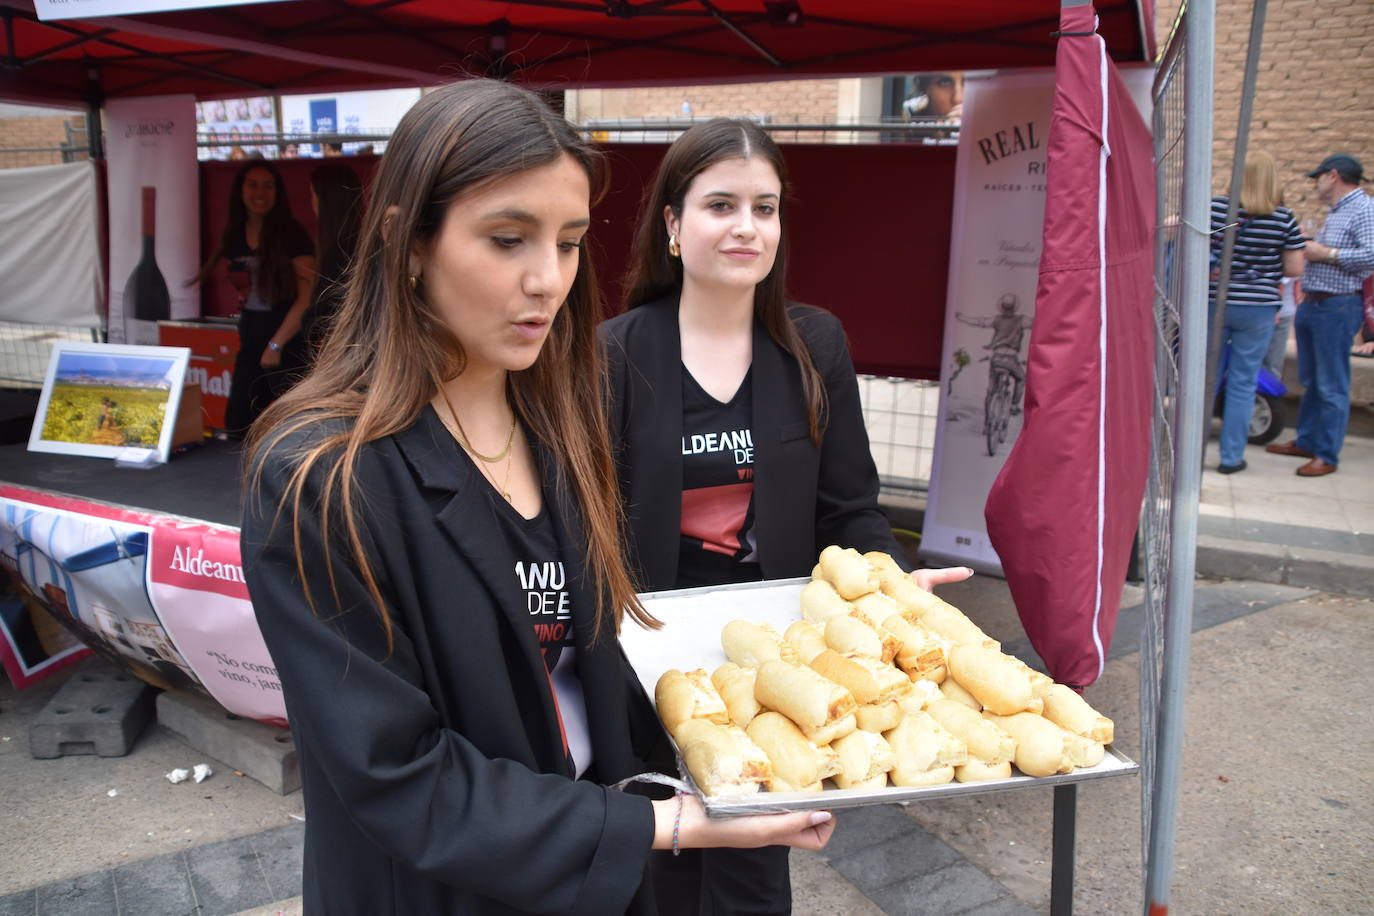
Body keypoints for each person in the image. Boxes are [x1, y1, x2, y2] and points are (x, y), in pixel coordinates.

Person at [239, 81, 834, 916]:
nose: (547, 279)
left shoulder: (566, 421)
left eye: (570, 241)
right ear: (408, 242)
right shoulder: (320, 476)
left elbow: (598, 670)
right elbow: (398, 776)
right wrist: (664, 829)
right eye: (508, 239)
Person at [601, 117, 970, 916]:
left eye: (764, 208)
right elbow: (584, 523)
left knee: (753, 874)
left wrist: (895, 591)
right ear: (672, 224)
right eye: (721, 205)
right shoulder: (613, 355)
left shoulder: (813, 344)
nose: (746, 227)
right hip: (646, 657)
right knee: (653, 866)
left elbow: (849, 509)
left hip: (771, 666)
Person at [1266, 153, 1374, 476]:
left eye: (1318, 177)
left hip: (1337, 305)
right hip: (1316, 303)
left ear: (1334, 176)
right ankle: (1309, 440)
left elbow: (1371, 256)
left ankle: (1326, 454)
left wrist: (1323, 252)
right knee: (1312, 379)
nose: (1316, 184)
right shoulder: (1338, 211)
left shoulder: (1363, 209)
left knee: (1331, 383)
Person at [192, 159, 315, 437]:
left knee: (297, 429)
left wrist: (276, 344)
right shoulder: (234, 234)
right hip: (251, 342)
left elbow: (307, 297)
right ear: (241, 191)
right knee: (238, 424)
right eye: (253, 185)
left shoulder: (292, 234)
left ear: (277, 192)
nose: (260, 193)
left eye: (268, 186)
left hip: (287, 345)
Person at [1208, 151, 1305, 474]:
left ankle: (1189, 454)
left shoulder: (1216, 209)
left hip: (1215, 304)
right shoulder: (1283, 218)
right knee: (1242, 382)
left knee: (1204, 379)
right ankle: (1231, 457)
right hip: (1259, 308)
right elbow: (1294, 268)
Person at [300, 163, 364, 357]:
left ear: (324, 200)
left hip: (347, 360)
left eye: (313, 194)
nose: (311, 202)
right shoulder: (365, 243)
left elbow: (327, 316)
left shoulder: (340, 252)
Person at [956, 292, 1032, 424]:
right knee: (1021, 379)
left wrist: (962, 317)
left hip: (996, 358)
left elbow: (980, 322)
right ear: (1014, 307)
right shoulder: (1022, 320)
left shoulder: (996, 319)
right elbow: (1038, 323)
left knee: (991, 391)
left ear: (1002, 307)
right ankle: (1014, 405)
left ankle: (987, 422)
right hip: (1011, 359)